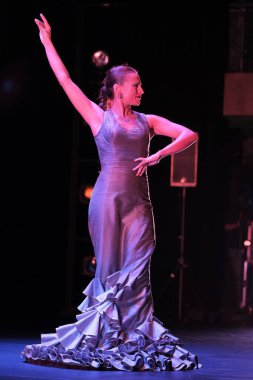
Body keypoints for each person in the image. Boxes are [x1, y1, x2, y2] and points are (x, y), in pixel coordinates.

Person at [21, 13, 200, 371]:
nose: (142, 90)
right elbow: (64, 79)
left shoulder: (147, 121)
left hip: (138, 204)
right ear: (119, 88)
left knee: (137, 269)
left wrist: (158, 155)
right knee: (108, 269)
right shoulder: (95, 116)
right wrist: (47, 43)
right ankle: (105, 334)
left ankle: (136, 335)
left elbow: (190, 134)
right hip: (106, 202)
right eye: (137, 85)